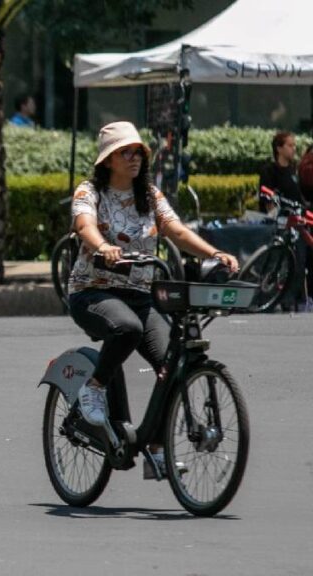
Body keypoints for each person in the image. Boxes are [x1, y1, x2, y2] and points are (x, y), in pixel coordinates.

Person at [67, 121, 238, 480]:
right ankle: (93, 389)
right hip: (93, 291)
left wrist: (215, 252)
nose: (133, 158)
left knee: (173, 364)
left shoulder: (149, 194)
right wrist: (103, 247)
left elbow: (175, 229)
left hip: (140, 296)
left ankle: (156, 450)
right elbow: (85, 226)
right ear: (108, 160)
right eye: (125, 152)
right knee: (125, 329)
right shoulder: (90, 191)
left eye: (138, 152)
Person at [259, 131, 309, 310]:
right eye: (290, 145)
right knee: (284, 258)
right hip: (280, 223)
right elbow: (267, 200)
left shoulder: (295, 169)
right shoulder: (269, 171)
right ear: (279, 148)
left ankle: (297, 299)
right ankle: (279, 299)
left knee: (301, 259)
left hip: (300, 221)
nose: (293, 149)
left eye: (294, 145)